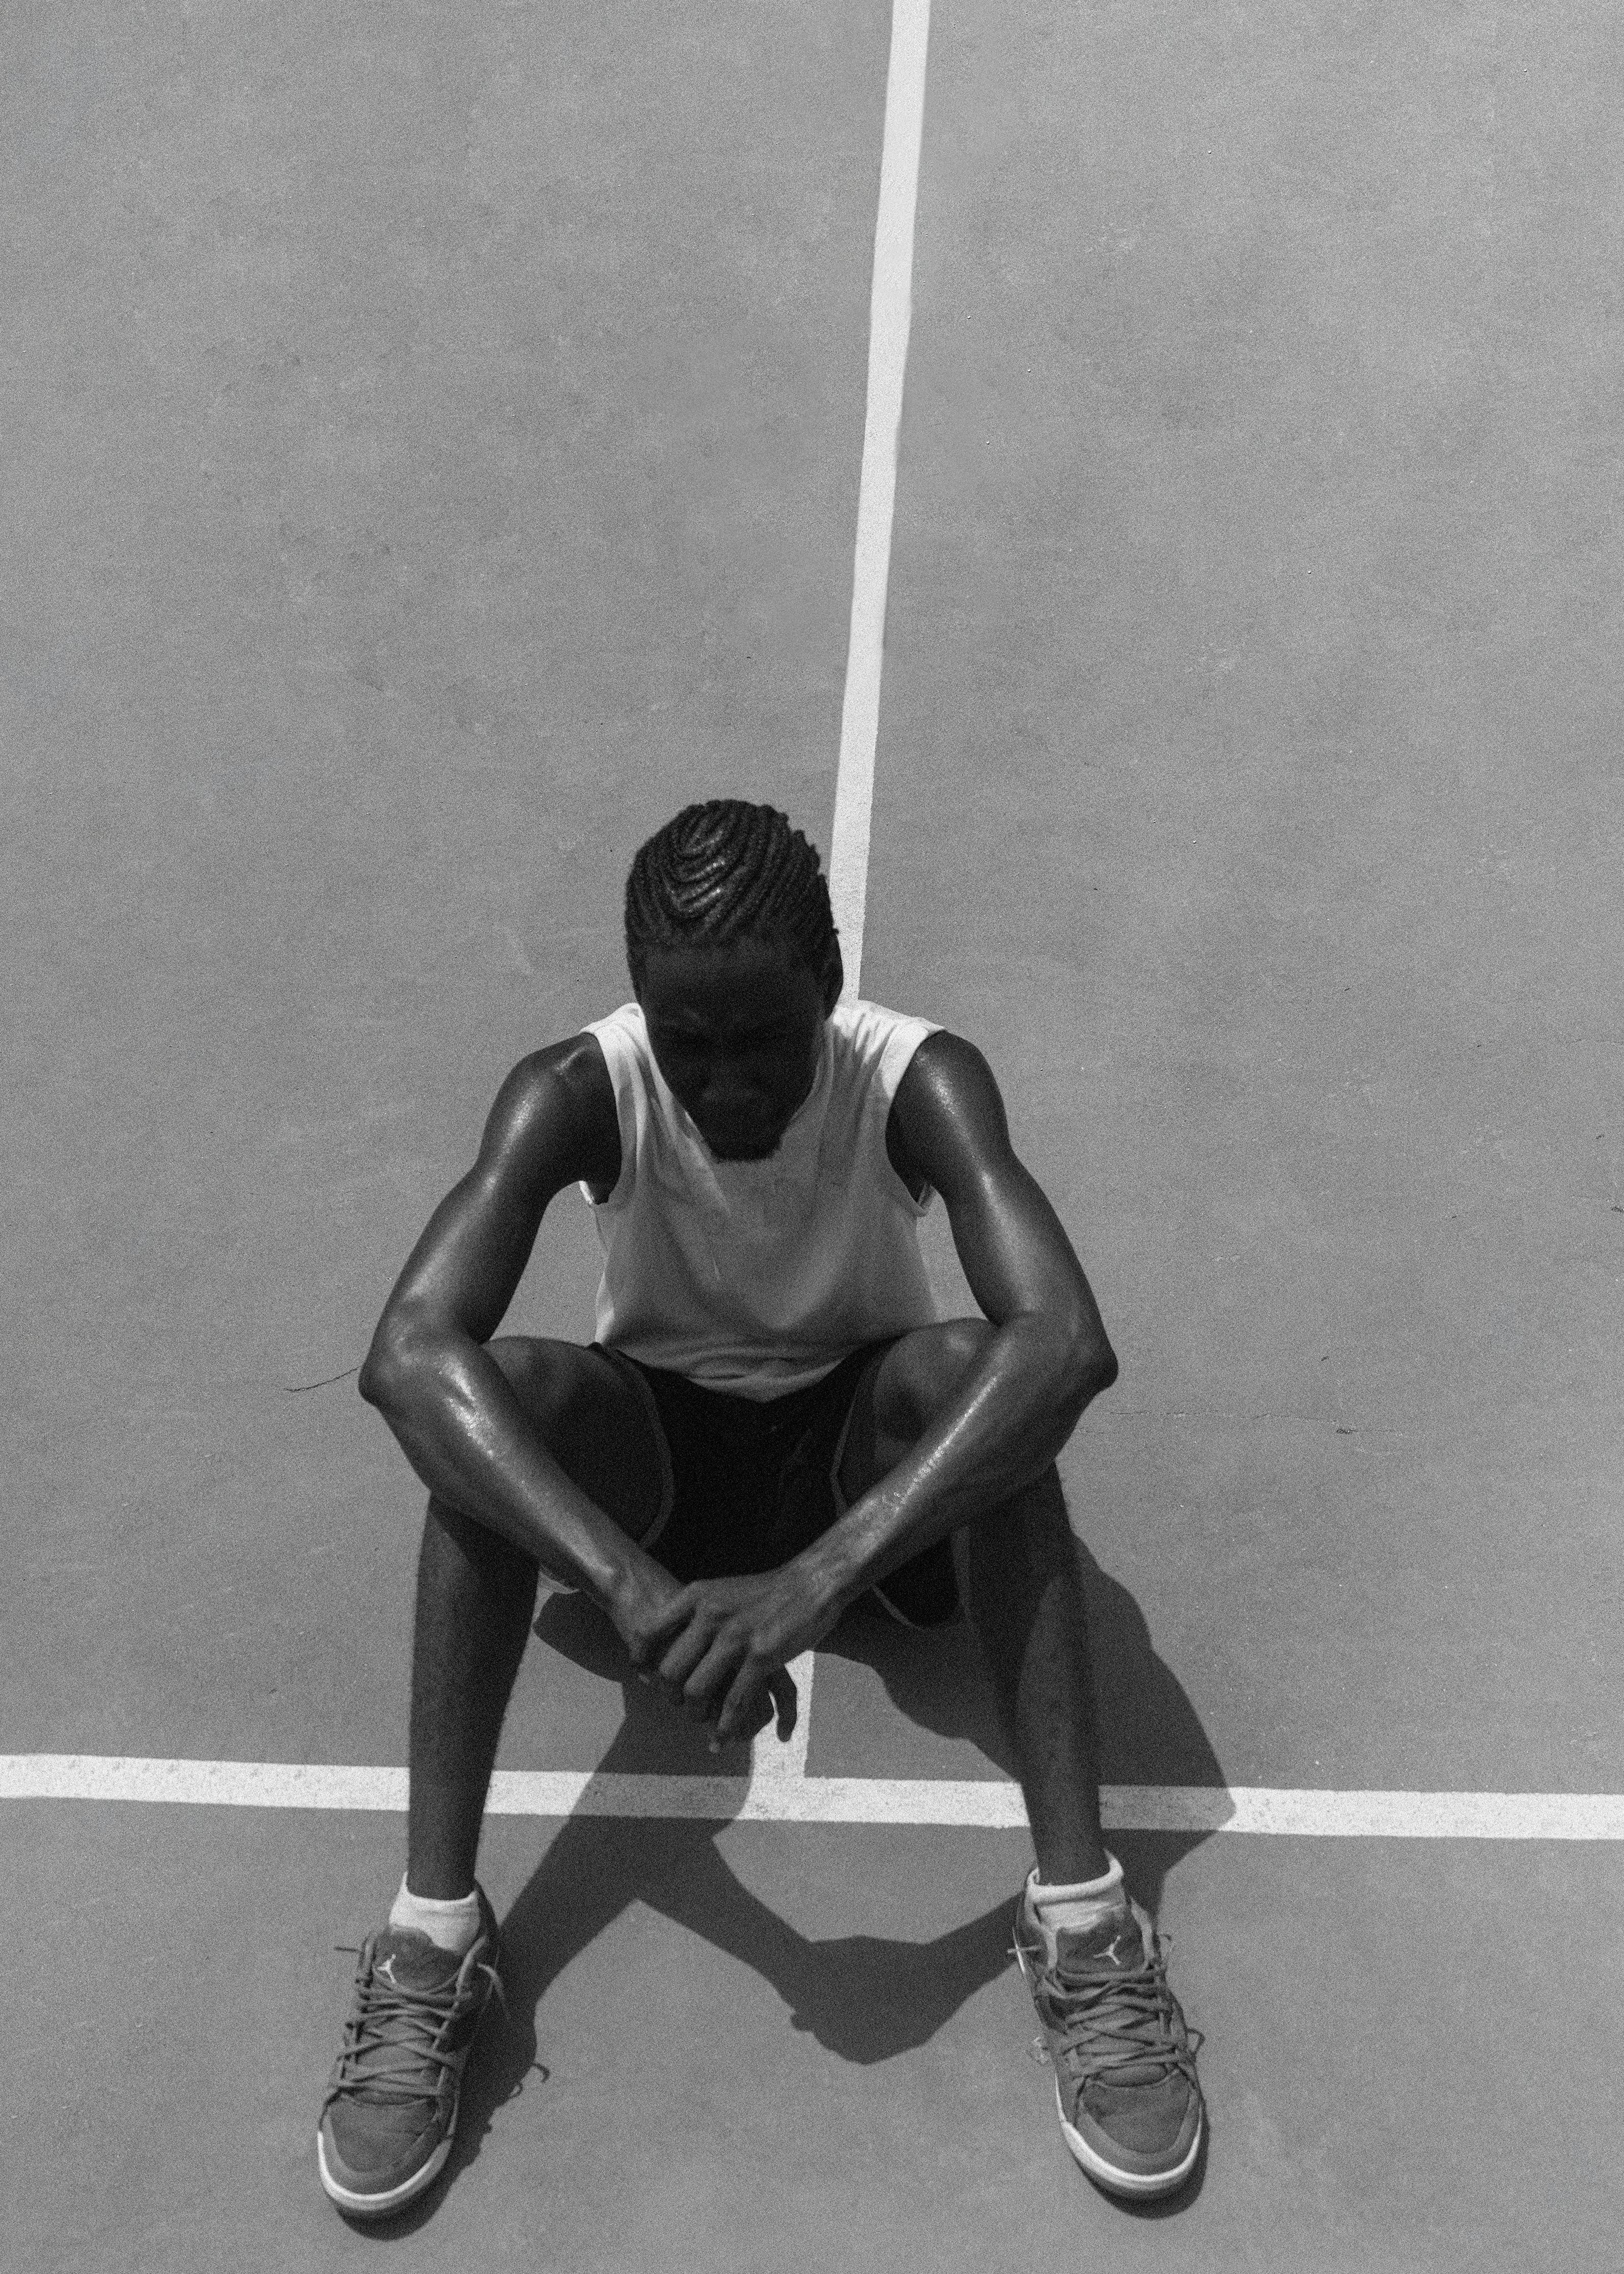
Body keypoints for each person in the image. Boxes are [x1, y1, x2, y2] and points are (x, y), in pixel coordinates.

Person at [317, 799, 1205, 2218]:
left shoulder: (920, 1079)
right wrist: (629, 1586)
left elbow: (1068, 1342)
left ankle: (1086, 1922)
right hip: (662, 1471)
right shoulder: (573, 1089)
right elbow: (407, 1354)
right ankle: (433, 1934)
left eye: (761, 1041)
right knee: (482, 1424)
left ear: (831, 991)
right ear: (640, 1010)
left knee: (992, 1381)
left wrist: (814, 1580)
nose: (724, 1084)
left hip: (864, 1461)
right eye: (691, 1047)